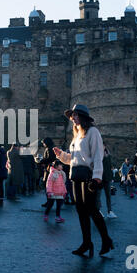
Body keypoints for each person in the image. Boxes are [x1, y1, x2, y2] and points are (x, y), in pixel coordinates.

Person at [54, 104, 113, 257]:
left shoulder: (93, 132)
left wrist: (97, 177)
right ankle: (87, 243)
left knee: (92, 210)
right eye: (72, 116)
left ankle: (106, 240)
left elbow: (98, 155)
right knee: (81, 211)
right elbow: (73, 159)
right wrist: (61, 155)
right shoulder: (77, 135)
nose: (72, 118)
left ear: (83, 116)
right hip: (76, 176)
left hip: (89, 176)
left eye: (75, 115)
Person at [97, 144, 117, 219]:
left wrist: (111, 175)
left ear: (105, 146)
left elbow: (110, 166)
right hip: (100, 177)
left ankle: (110, 211)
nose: (102, 147)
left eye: (103, 146)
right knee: (98, 195)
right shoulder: (98, 155)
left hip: (107, 178)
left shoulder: (108, 155)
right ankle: (98, 211)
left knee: (108, 195)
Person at [37, 138, 56, 207]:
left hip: (49, 169)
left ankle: (49, 202)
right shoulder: (52, 147)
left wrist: (41, 161)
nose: (43, 144)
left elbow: (50, 158)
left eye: (44, 143)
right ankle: (49, 201)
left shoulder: (49, 149)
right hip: (50, 168)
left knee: (47, 185)